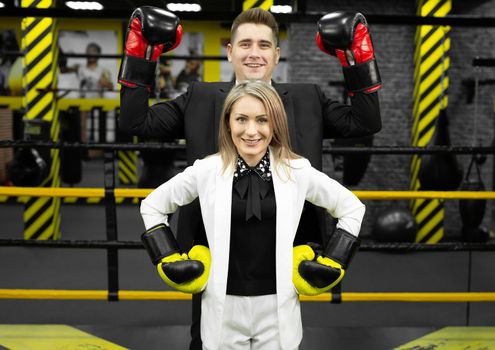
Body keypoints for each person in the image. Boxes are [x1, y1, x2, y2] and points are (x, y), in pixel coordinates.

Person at [118, 6, 381, 349]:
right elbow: (135, 122)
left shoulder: (305, 99)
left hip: (283, 256)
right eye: (244, 44)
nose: (253, 53)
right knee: (206, 339)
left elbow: (366, 123)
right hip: (210, 255)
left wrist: (355, 59)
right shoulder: (200, 98)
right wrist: (141, 55)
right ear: (230, 51)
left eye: (262, 44)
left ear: (276, 54)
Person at [140, 80, 365, 350]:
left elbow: (352, 208)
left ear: (276, 124)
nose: (251, 130)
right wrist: (167, 256)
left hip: (278, 307)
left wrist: (334, 259)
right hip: (222, 306)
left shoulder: (296, 170)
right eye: (241, 119)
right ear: (227, 124)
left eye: (262, 120)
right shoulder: (206, 170)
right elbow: (152, 205)